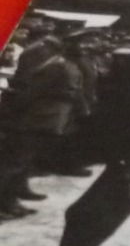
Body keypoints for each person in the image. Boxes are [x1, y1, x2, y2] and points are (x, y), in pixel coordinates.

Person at [0, 28, 90, 218]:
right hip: (36, 120)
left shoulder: (69, 64)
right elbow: (32, 93)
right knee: (14, 163)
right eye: (82, 44)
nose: (87, 47)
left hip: (48, 121)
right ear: (69, 45)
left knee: (22, 163)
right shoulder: (57, 65)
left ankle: (10, 202)